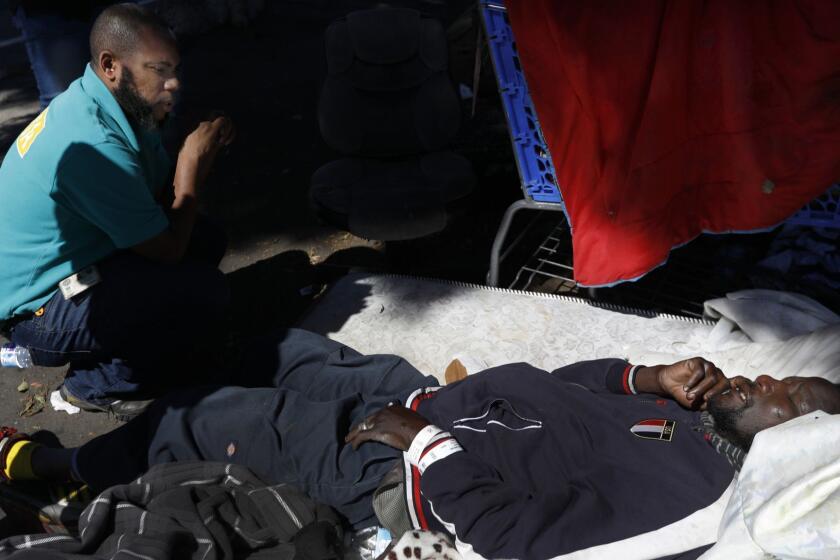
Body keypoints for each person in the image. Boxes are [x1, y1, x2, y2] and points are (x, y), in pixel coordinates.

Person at [2, 329, 838, 559]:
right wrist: (641, 377)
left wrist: (424, 441)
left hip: (393, 458)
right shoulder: (697, 421)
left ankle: (54, 468)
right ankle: (105, 394)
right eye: (777, 380)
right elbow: (563, 388)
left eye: (783, 398)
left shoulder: (687, 496)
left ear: (786, 447)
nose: (763, 383)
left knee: (209, 416)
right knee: (275, 346)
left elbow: (512, 537)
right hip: (423, 393)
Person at [0, 4, 235, 418]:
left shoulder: (118, 103)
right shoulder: (94, 146)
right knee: (202, 292)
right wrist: (191, 171)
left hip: (78, 258)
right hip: (34, 311)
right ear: (110, 65)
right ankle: (93, 385)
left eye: (175, 68)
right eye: (159, 70)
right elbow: (167, 249)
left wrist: (193, 158)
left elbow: (156, 201)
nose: (174, 83)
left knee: (206, 242)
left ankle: (125, 345)